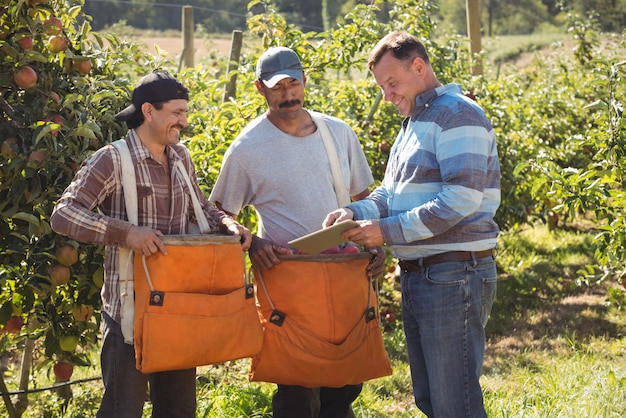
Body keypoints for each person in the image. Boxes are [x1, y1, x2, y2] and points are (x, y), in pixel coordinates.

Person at [50, 71, 252, 418]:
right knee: (122, 410)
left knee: (178, 410)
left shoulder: (180, 157)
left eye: (185, 112)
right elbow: (64, 213)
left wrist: (228, 223)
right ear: (148, 111)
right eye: (176, 112)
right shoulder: (112, 159)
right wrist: (125, 233)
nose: (183, 121)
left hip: (179, 306)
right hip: (131, 311)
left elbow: (201, 208)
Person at [324, 31, 501, 418]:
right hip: (423, 274)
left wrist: (385, 232)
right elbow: (390, 194)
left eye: (392, 83)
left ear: (419, 67)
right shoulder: (414, 123)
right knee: (431, 399)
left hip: (454, 273)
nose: (387, 95)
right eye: (381, 87)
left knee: (455, 403)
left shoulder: (456, 114)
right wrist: (356, 213)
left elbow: (461, 199)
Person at [209, 46, 383, 418]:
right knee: (297, 385)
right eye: (277, 87)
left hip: (345, 270)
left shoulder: (338, 133)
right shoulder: (247, 149)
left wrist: (375, 243)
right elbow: (220, 215)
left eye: (293, 83)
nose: (288, 94)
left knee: (346, 378)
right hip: (291, 278)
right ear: (260, 89)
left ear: (305, 81)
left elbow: (363, 199)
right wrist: (253, 243)